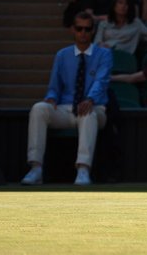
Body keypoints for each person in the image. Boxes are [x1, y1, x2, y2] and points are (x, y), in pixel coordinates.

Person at [21, 11, 112, 186]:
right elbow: (54, 86)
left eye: (87, 29)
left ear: (93, 31)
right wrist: (51, 98)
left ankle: (83, 169)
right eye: (79, 28)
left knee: (88, 113)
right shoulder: (62, 55)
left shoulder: (104, 54)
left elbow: (102, 81)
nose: (83, 33)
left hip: (96, 108)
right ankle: (36, 167)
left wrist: (90, 99)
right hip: (66, 108)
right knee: (39, 108)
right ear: (72, 30)